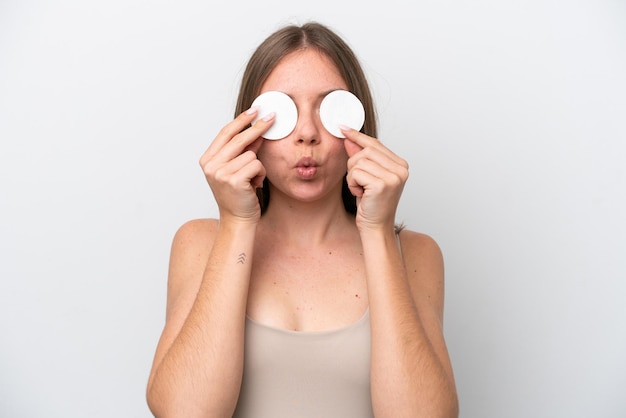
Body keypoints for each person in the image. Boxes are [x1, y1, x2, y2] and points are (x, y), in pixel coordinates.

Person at [146, 21, 458, 418]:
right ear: (247, 128)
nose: (307, 133)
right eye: (283, 112)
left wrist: (377, 231)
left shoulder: (416, 254)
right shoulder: (200, 243)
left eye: (331, 109)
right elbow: (185, 412)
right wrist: (238, 221)